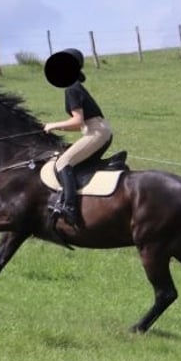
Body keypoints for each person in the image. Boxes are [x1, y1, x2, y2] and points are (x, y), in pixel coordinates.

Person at [43, 48, 113, 227]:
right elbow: (81, 124)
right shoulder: (75, 86)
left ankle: (70, 208)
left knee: (63, 163)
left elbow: (77, 121)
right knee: (72, 161)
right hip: (97, 130)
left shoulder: (71, 89)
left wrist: (54, 125)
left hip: (96, 132)